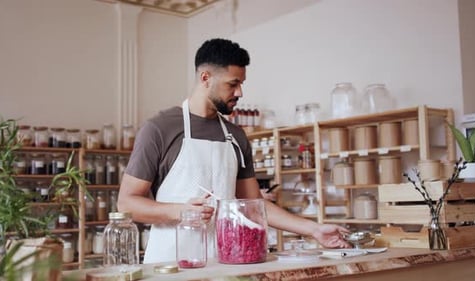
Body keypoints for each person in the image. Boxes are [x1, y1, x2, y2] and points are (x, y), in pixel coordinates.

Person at [118, 38, 350, 264]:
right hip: (170, 266)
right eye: (233, 84)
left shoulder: (235, 135)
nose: (240, 93)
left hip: (226, 263)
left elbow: (254, 205)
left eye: (241, 84)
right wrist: (181, 211)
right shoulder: (159, 129)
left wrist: (314, 229)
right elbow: (127, 203)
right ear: (205, 78)